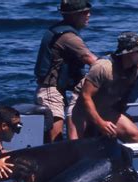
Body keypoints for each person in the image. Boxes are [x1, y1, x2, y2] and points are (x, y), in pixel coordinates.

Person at [34, 0, 97, 142]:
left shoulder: (59, 30)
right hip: (50, 90)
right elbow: (91, 60)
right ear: (74, 16)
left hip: (57, 89)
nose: (89, 15)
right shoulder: (68, 37)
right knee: (54, 137)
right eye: (84, 13)